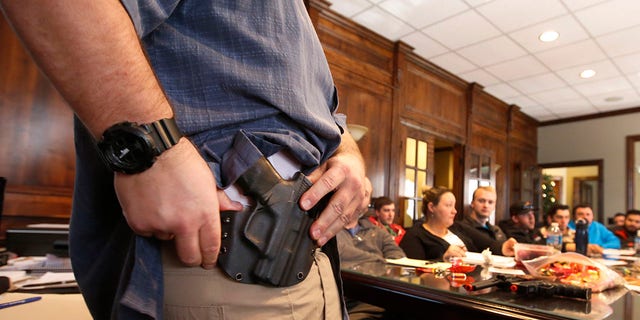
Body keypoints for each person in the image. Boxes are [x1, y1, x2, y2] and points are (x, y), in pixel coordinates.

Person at [0, 2, 371, 319]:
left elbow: (321, 114)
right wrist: (155, 151)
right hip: (221, 254)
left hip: (305, 256)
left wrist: (347, 151)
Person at [337, 215, 405, 320]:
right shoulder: (331, 229)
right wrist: (380, 260)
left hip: (379, 297)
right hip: (346, 301)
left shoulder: (377, 231)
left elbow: (398, 257)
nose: (361, 198)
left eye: (366, 196)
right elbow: (342, 252)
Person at [400, 186, 476, 261]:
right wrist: (443, 259)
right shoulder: (415, 235)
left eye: (454, 206)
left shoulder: (457, 229)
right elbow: (412, 268)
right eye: (449, 205)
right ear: (431, 207)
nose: (454, 211)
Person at [449, 186, 517, 257]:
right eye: (481, 201)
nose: (486, 205)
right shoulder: (461, 228)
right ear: (472, 203)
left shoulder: (497, 230)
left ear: (494, 206)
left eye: (490, 202)